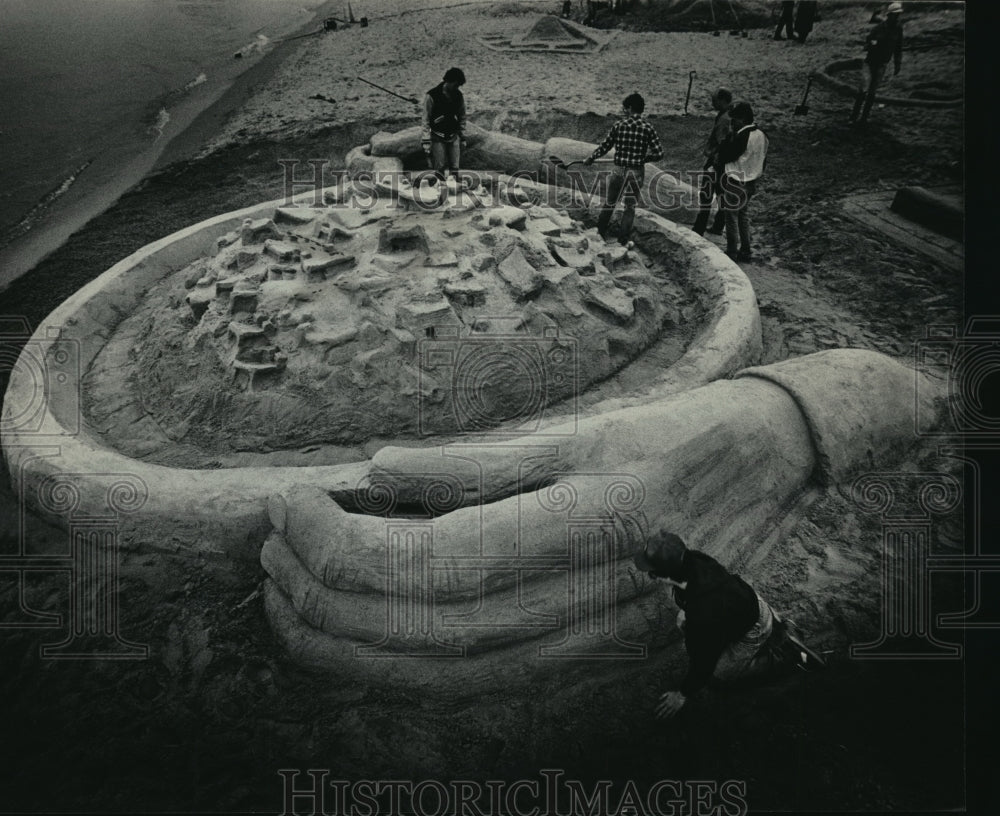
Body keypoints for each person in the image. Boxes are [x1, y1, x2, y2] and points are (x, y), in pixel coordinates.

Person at [633, 531, 817, 719]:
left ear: (662, 576)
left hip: (753, 628)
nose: (650, 575)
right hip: (745, 601)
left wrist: (683, 694)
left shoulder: (703, 612)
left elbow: (703, 663)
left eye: (651, 571)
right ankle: (773, 624)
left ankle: (785, 653)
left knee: (718, 677)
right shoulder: (694, 558)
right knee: (684, 621)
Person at [584, 92, 664, 244]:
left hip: (619, 169)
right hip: (636, 171)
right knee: (629, 206)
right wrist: (645, 158)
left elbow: (605, 146)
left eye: (625, 108)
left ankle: (599, 233)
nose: (624, 111)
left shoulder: (619, 125)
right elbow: (659, 153)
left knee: (610, 202)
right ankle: (622, 239)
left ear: (630, 108)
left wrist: (591, 158)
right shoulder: (648, 128)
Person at [717, 101, 768, 262]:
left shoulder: (741, 136)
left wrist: (728, 138)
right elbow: (763, 158)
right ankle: (746, 250)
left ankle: (732, 250)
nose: (734, 123)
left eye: (736, 120)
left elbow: (727, 154)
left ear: (744, 118)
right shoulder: (762, 135)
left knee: (731, 217)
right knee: (743, 216)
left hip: (735, 179)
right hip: (751, 180)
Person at [850, 2, 903, 125]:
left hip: (882, 64)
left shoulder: (898, 30)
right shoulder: (878, 28)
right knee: (863, 89)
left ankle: (864, 119)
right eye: (895, 15)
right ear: (889, 15)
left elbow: (898, 48)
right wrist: (871, 45)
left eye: (898, 15)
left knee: (872, 92)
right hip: (870, 63)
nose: (897, 17)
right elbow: (867, 43)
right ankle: (853, 117)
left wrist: (897, 63)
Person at [692, 87, 733, 236]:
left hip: (717, 162)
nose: (712, 103)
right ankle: (717, 226)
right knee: (722, 195)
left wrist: (714, 162)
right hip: (725, 165)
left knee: (706, 196)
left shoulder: (724, 119)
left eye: (715, 100)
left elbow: (722, 143)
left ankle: (699, 228)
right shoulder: (729, 115)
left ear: (722, 100)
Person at [421, 68, 467, 183]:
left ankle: (455, 190)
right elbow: (425, 119)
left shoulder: (458, 95)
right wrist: (426, 140)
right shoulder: (431, 96)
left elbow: (462, 116)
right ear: (448, 81)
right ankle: (440, 192)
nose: (457, 88)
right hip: (437, 136)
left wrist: (463, 137)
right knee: (439, 167)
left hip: (453, 135)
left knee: (455, 167)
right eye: (456, 85)